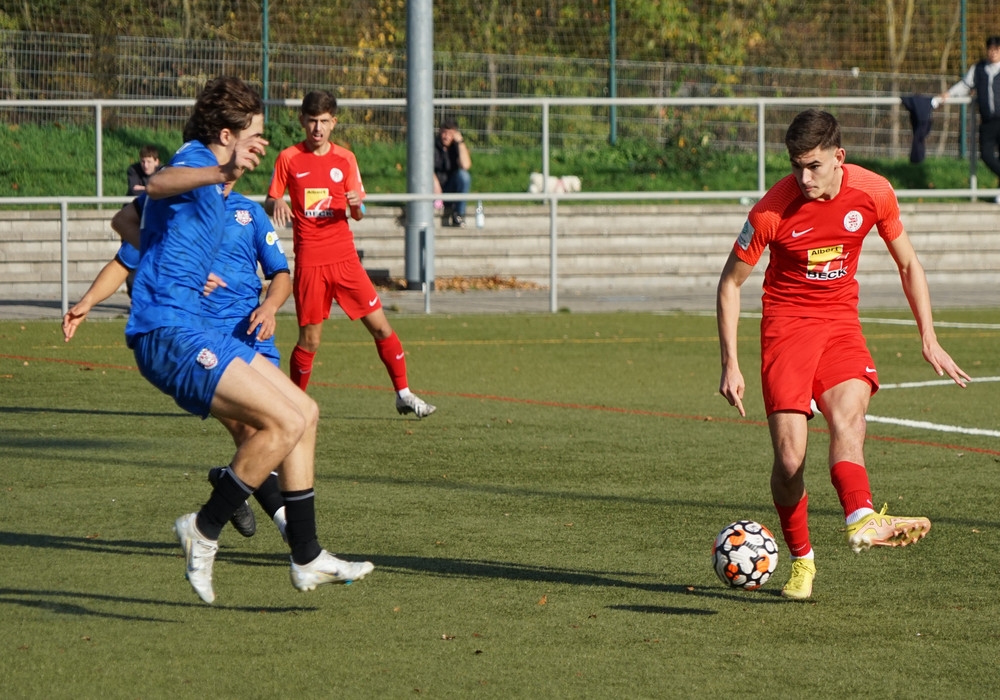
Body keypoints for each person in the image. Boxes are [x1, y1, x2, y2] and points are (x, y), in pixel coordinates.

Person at [125, 76, 373, 604]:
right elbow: (157, 185)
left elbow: (127, 220)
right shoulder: (198, 158)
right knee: (280, 423)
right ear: (225, 135)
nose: (262, 143)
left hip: (193, 326)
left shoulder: (222, 191)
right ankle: (204, 528)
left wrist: (182, 264)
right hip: (165, 332)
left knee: (305, 412)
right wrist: (220, 173)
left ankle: (306, 555)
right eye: (255, 133)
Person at [716, 109, 970, 601]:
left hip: (839, 324)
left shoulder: (874, 192)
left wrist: (929, 337)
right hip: (787, 329)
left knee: (849, 420)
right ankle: (802, 560)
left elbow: (909, 263)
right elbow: (730, 284)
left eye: (813, 166)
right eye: (796, 166)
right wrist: (730, 362)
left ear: (839, 157)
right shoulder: (771, 210)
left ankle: (861, 516)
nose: (803, 178)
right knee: (790, 460)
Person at [63, 183, 296, 542]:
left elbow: (280, 273)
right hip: (202, 340)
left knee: (283, 431)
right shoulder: (178, 212)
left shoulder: (249, 213)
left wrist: (269, 306)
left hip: (254, 337)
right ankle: (295, 535)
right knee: (250, 430)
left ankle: (229, 484)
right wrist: (87, 302)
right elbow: (125, 261)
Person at [265, 89, 436, 418]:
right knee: (310, 341)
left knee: (381, 327)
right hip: (311, 262)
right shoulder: (288, 157)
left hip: (345, 260)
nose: (317, 128)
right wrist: (278, 202)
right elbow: (270, 200)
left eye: (324, 121)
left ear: (334, 122)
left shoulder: (346, 159)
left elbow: (358, 212)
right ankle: (293, 406)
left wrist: (357, 206)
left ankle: (403, 393)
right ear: (302, 121)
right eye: (312, 121)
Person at [939, 35, 1000, 202]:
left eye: (996, 49)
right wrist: (949, 94)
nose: (993, 53)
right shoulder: (979, 68)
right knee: (986, 155)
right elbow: (965, 85)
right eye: (990, 49)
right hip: (988, 121)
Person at [433, 118, 472, 227]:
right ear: (440, 131)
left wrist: (460, 142)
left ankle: (459, 215)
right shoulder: (432, 145)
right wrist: (435, 183)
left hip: (449, 188)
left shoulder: (457, 147)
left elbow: (466, 165)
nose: (446, 136)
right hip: (433, 188)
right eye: (444, 132)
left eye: (450, 134)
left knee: (464, 176)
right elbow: (425, 166)